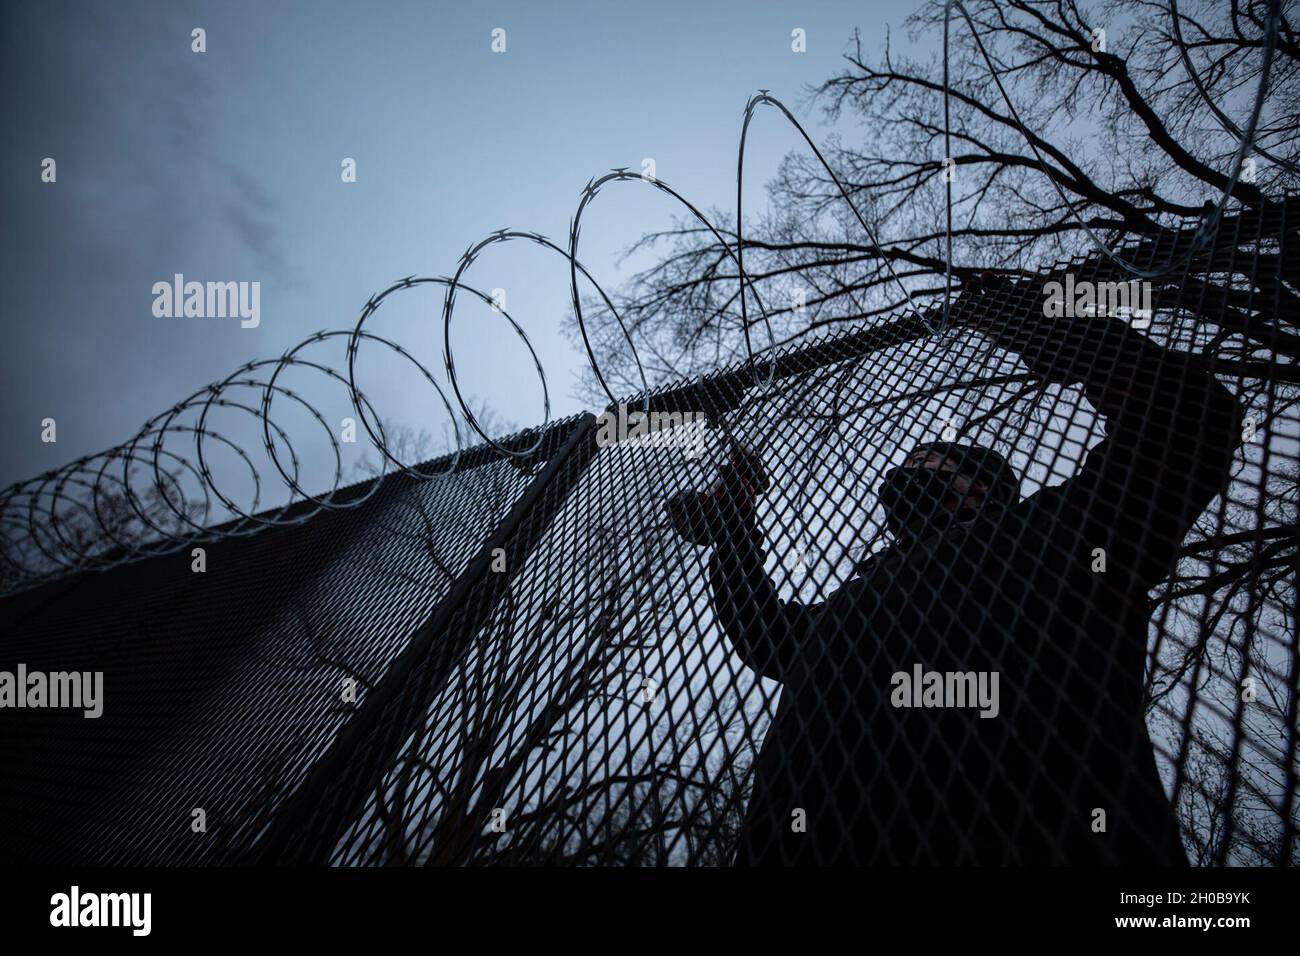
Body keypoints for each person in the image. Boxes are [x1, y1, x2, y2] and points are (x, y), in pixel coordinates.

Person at [665, 276, 1242, 865]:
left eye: (935, 458)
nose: (914, 461)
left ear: (983, 487)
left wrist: (1038, 320)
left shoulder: (1061, 531)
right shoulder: (857, 596)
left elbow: (1189, 420)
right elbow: (767, 635)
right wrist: (735, 530)